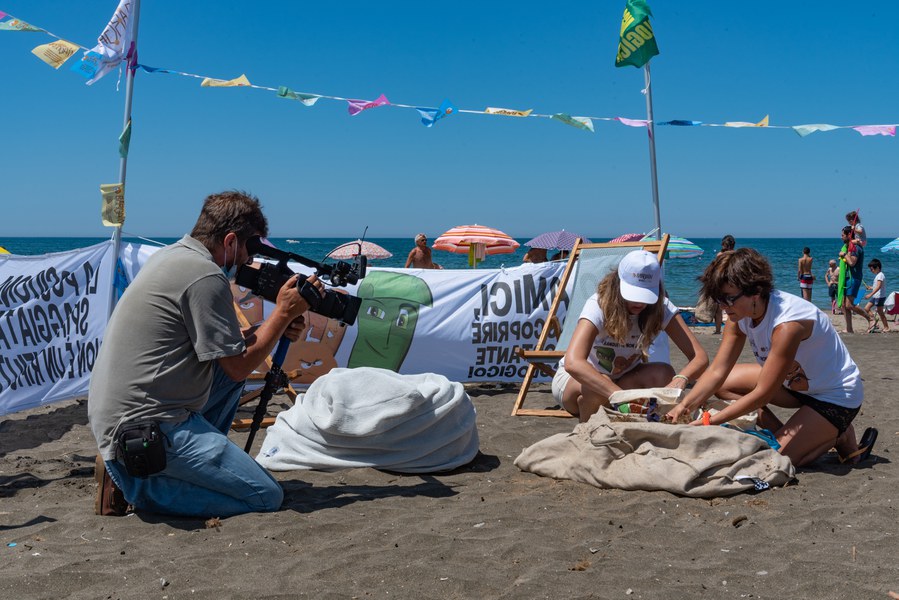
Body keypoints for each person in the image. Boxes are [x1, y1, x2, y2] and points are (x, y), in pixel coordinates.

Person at [88, 190, 323, 518]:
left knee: (227, 377)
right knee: (265, 495)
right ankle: (139, 487)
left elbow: (230, 352)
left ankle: (158, 469)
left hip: (123, 418)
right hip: (145, 429)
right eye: (245, 254)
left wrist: (276, 328)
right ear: (229, 241)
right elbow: (239, 366)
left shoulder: (173, 257)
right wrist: (282, 315)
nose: (245, 265)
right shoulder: (205, 276)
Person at [666, 248, 876, 467]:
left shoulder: (788, 325)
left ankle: (836, 433)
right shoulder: (739, 315)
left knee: (774, 460)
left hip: (834, 397)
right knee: (723, 385)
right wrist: (684, 406)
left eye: (728, 298)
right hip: (794, 386)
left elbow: (762, 394)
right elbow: (718, 370)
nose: (723, 307)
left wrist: (708, 421)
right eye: (718, 299)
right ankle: (798, 431)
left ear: (756, 291)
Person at [552, 250, 708, 422]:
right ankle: (590, 430)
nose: (639, 302)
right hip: (578, 383)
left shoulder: (661, 307)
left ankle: (632, 418)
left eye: (646, 295)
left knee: (664, 372)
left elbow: (699, 357)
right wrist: (620, 396)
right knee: (597, 387)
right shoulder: (598, 304)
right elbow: (573, 363)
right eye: (633, 294)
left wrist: (680, 379)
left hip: (625, 378)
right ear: (618, 282)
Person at [840, 225, 875, 333]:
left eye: (843, 235)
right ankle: (849, 329)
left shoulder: (855, 247)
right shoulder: (850, 246)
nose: (841, 237)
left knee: (849, 305)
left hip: (854, 278)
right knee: (843, 305)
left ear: (849, 235)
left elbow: (852, 262)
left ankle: (870, 318)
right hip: (847, 277)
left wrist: (845, 254)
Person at [713, 235, 736, 333]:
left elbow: (716, 269)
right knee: (732, 307)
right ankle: (725, 330)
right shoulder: (736, 254)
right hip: (731, 282)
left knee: (720, 308)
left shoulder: (720, 255)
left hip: (722, 282)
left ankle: (719, 330)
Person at [863, 258, 891, 332]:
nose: (871, 271)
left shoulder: (880, 275)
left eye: (872, 269)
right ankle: (875, 322)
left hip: (880, 297)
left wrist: (870, 294)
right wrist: (871, 287)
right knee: (866, 308)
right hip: (876, 296)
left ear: (877, 268)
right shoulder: (878, 275)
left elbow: (879, 286)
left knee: (880, 312)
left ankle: (886, 327)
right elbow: (877, 286)